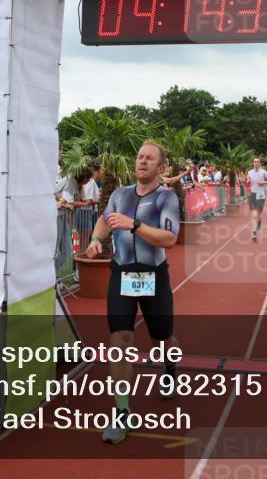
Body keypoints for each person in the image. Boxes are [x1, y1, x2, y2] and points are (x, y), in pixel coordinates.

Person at [84, 141, 180, 445]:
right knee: (120, 339)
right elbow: (104, 221)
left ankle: (170, 367)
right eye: (140, 156)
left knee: (161, 337)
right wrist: (96, 239)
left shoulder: (166, 197)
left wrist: (134, 225)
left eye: (150, 158)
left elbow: (168, 239)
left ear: (161, 168)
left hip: (154, 274)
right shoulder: (120, 194)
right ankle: (122, 411)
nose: (142, 161)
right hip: (123, 273)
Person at [246, 157, 267, 243]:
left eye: (258, 162)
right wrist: (247, 181)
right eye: (255, 162)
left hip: (261, 195)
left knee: (258, 216)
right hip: (253, 194)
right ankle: (254, 234)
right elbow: (248, 180)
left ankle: (259, 221)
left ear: (260, 164)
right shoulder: (249, 172)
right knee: (253, 215)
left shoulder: (264, 172)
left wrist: (263, 182)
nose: (256, 163)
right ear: (253, 163)